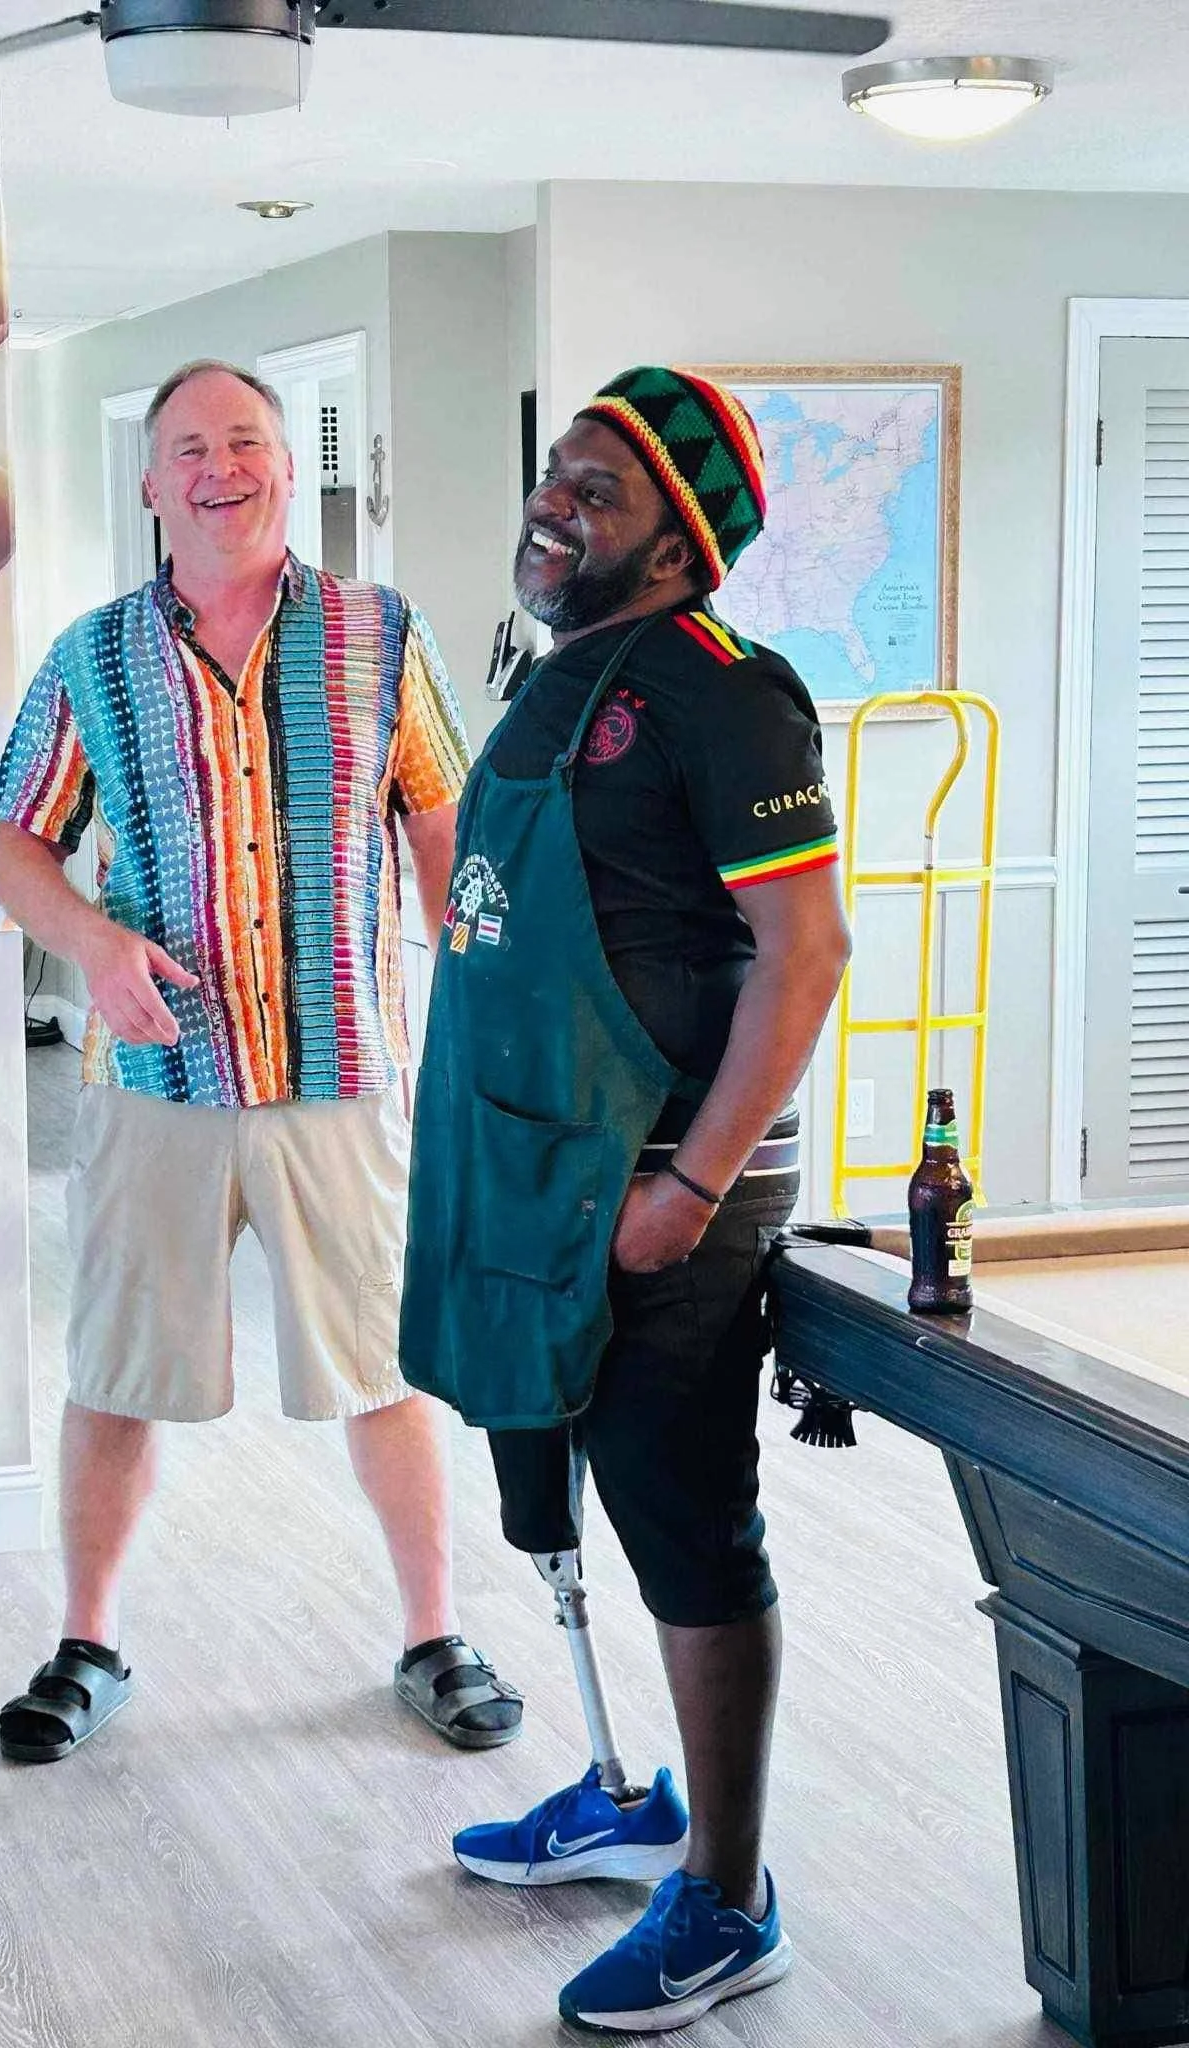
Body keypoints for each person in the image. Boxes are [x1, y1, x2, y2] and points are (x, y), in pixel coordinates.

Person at [0, 359, 522, 1764]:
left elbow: (449, 834)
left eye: (247, 443)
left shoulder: (381, 634)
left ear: (289, 467)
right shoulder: (92, 658)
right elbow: (14, 847)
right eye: (189, 450)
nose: (221, 468)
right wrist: (93, 949)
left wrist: (475, 1020)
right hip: (155, 1080)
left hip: (341, 1066)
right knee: (111, 1370)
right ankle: (86, 1640)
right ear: (151, 483)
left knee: (386, 1369)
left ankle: (434, 1635)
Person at [400, 366, 851, 2032]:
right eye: (558, 473)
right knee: (551, 1466)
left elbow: (804, 963)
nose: (557, 502)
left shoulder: (730, 694)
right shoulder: (552, 663)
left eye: (600, 488)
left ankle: (728, 1900)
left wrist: (690, 1180)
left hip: (662, 1182)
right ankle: (621, 1793)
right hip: (535, 1160)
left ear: (680, 544)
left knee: (682, 1519)